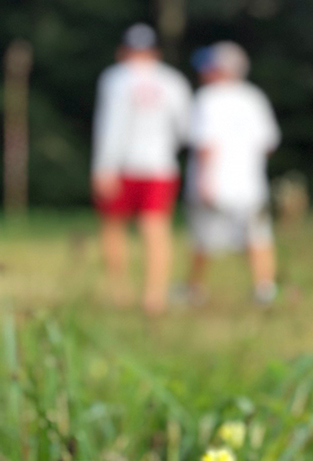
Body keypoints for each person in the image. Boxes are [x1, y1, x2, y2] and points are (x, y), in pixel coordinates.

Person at [92, 23, 191, 315]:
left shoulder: (114, 78)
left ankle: (119, 292)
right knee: (156, 229)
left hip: (120, 165)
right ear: (156, 52)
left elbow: (109, 127)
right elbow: (185, 129)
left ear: (122, 51)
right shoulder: (173, 80)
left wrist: (102, 167)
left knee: (113, 229)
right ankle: (154, 297)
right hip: (160, 166)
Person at [183, 41, 281, 305]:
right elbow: (268, 144)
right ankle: (264, 289)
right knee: (258, 236)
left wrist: (204, 180)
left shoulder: (207, 98)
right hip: (250, 184)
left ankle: (194, 288)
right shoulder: (254, 97)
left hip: (213, 182)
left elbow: (205, 144)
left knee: (203, 239)